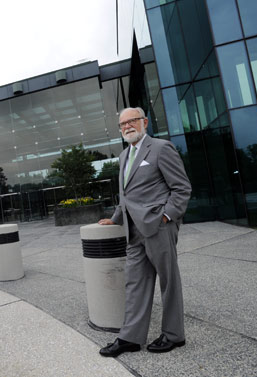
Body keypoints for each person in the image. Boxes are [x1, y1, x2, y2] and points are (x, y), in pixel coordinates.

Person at [98, 107, 191, 357]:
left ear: (144, 122)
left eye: (132, 121)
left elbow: (181, 188)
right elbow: (125, 196)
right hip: (133, 230)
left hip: (158, 226)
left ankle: (174, 335)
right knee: (135, 283)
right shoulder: (123, 156)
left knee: (169, 282)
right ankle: (130, 338)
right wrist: (116, 218)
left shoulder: (161, 148)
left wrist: (166, 216)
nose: (127, 126)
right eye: (122, 124)